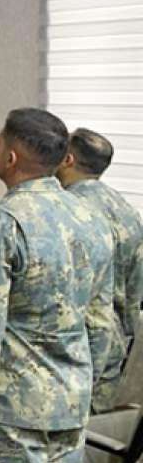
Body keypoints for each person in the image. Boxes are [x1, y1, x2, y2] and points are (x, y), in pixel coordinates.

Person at [0, 108, 119, 463]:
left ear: (11, 157)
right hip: (73, 394)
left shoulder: (1, 222)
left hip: (15, 406)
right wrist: (88, 384)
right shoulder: (92, 217)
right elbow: (102, 321)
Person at [58, 127, 143, 409]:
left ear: (67, 159)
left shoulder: (65, 212)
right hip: (113, 348)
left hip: (69, 349)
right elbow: (135, 293)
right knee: (94, 430)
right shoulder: (128, 211)